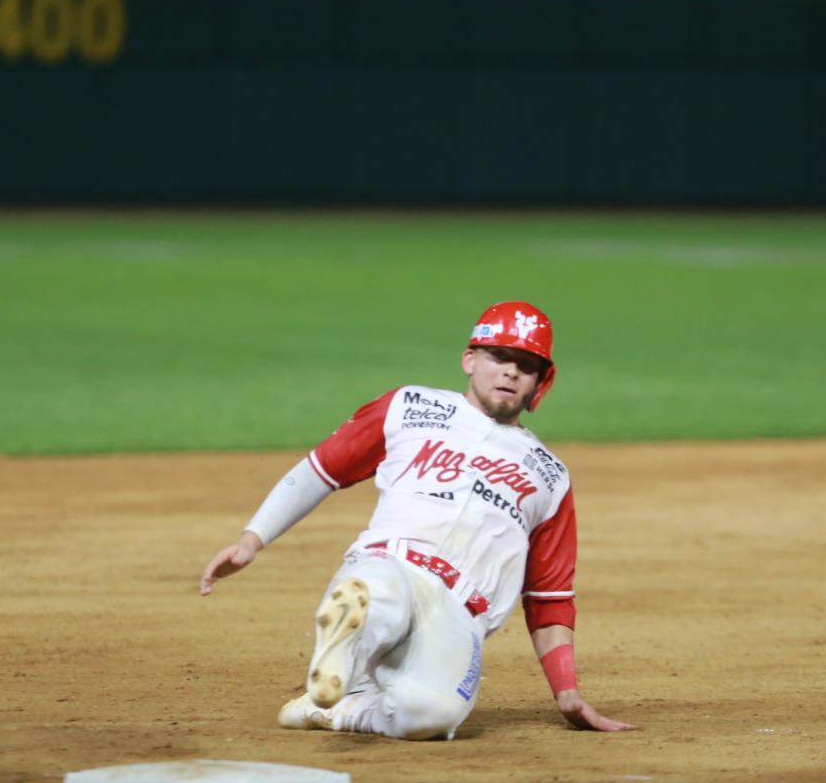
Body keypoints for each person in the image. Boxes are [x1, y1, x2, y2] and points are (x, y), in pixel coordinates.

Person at [200, 301, 630, 741]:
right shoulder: (409, 406)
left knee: (431, 715)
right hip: (390, 563)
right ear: (470, 359)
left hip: (460, 614)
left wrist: (567, 692)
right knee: (376, 595)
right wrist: (252, 538)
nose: (510, 372)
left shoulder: (550, 475)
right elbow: (321, 469)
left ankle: (339, 706)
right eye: (498, 356)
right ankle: (345, 653)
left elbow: (548, 596)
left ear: (541, 381)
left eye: (526, 364)